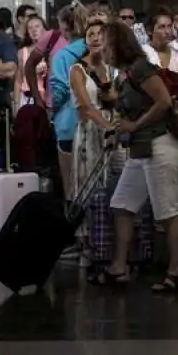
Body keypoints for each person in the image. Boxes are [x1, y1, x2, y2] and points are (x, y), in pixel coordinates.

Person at [91, 21, 178, 293]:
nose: (103, 49)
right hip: (142, 149)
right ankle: (119, 267)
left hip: (159, 145)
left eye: (106, 44)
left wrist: (134, 125)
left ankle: (175, 272)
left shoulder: (140, 68)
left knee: (167, 211)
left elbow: (164, 102)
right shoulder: (125, 73)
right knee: (122, 204)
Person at [69, 21, 116, 264]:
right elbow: (86, 106)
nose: (96, 38)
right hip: (90, 130)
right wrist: (108, 127)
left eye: (100, 34)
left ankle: (104, 240)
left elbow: (113, 99)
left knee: (107, 185)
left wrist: (103, 79)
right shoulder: (77, 69)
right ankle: (85, 242)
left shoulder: (108, 68)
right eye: (91, 35)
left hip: (108, 128)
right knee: (87, 183)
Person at [49, 2, 91, 203]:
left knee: (71, 188)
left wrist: (50, 107)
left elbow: (58, 92)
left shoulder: (62, 55)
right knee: (92, 184)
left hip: (68, 124)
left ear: (66, 26)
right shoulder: (95, 51)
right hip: (94, 123)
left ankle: (76, 232)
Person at [142, 8, 178, 81]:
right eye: (162, 27)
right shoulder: (142, 54)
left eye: (169, 26)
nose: (167, 31)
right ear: (149, 31)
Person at [13, 15, 47, 113]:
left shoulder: (51, 50)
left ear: (44, 29)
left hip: (45, 98)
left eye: (37, 26)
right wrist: (16, 104)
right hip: (26, 98)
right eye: (30, 28)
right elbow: (18, 80)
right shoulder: (22, 52)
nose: (34, 30)